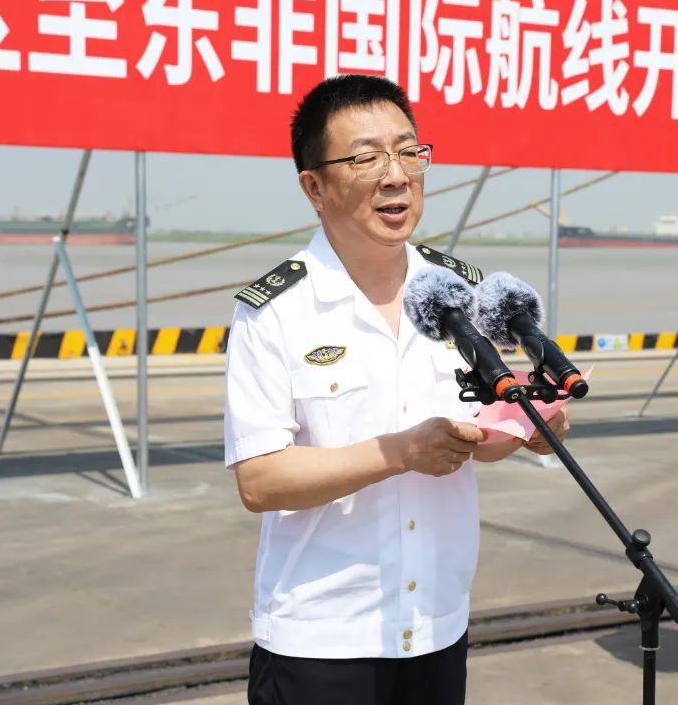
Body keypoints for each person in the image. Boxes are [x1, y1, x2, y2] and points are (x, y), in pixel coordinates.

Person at [224, 74, 569, 705]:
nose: (396, 175)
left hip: (437, 625)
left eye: (409, 152)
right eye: (366, 158)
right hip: (324, 640)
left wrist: (526, 432)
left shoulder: (458, 292)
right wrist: (400, 453)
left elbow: (475, 439)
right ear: (314, 187)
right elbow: (261, 480)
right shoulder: (274, 311)